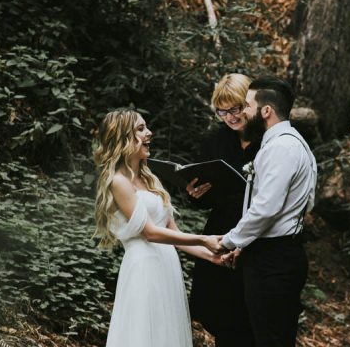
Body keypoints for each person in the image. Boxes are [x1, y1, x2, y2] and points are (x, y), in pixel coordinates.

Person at [93, 109, 225, 347]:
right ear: (123, 137)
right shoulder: (118, 181)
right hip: (144, 268)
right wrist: (204, 239)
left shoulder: (150, 179)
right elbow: (150, 233)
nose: (149, 133)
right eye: (140, 129)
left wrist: (212, 256)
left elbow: (174, 235)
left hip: (167, 265)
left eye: (147, 127)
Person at [219, 76, 317, 347]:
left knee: (271, 339)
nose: (244, 111)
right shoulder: (293, 142)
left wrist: (230, 241)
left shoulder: (281, 147)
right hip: (276, 253)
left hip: (273, 261)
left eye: (248, 105)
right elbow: (305, 202)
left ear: (266, 111)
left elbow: (266, 207)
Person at [186, 73, 258, 347]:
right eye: (222, 111)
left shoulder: (267, 139)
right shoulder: (215, 140)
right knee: (222, 314)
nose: (230, 116)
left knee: (250, 317)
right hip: (222, 230)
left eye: (235, 108)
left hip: (257, 232)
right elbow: (207, 196)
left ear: (249, 104)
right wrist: (195, 194)